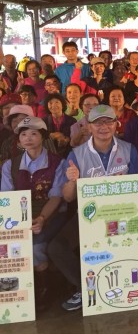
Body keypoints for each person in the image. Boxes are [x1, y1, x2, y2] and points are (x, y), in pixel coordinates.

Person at [50, 105, 138, 311]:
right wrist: (72, 181)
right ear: (89, 127)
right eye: (98, 123)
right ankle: (86, 287)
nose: (103, 127)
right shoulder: (76, 154)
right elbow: (68, 196)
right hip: (89, 215)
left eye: (108, 121)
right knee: (56, 247)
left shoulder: (129, 150)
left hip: (123, 213)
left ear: (116, 125)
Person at [1, 116, 68, 310]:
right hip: (20, 215)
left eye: (33, 133)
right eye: (23, 134)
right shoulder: (10, 166)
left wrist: (42, 219)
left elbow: (56, 197)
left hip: (52, 214)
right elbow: (7, 198)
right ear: (19, 140)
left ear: (43, 136)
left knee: (36, 246)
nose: (28, 138)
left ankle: (45, 288)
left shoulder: (58, 163)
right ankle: (19, 293)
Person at [44, 93, 77, 158]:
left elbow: (76, 139)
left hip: (69, 155)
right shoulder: (43, 122)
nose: (53, 105)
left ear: (62, 104)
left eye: (57, 102)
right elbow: (42, 140)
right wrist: (52, 136)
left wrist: (67, 139)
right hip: (50, 156)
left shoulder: (72, 121)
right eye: (50, 103)